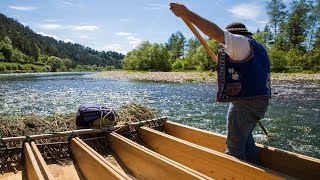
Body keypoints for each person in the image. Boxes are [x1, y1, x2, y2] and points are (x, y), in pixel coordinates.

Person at [170, 3, 271, 165]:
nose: (224, 44)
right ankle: (254, 168)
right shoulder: (258, 47)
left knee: (234, 148)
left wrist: (187, 13)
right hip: (258, 101)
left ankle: (232, 172)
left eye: (226, 40)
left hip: (247, 103)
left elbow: (216, 32)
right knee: (245, 140)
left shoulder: (239, 42)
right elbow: (247, 71)